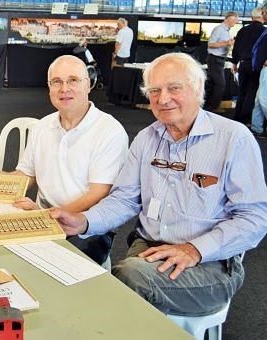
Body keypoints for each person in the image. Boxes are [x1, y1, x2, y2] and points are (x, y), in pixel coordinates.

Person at [51, 53, 267, 316]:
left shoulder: (234, 139)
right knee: (114, 281)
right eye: (154, 90)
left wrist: (195, 249)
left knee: (122, 283)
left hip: (211, 263)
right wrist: (83, 221)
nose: (163, 99)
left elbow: (255, 218)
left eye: (174, 88)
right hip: (147, 250)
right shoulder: (146, 139)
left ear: (197, 87)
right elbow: (124, 200)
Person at [0, 55, 129, 265]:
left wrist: (46, 216)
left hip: (86, 227)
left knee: (49, 266)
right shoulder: (43, 126)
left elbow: (99, 193)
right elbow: (27, 176)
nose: (64, 88)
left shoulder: (110, 131)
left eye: (73, 80)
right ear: (49, 88)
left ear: (88, 85)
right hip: (42, 216)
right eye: (57, 82)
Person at [231, 8, 265, 125]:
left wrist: (234, 63)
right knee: (252, 92)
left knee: (242, 91)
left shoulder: (242, 30)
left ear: (252, 18)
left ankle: (237, 116)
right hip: (256, 66)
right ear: (262, 16)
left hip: (243, 64)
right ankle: (244, 119)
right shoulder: (264, 31)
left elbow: (235, 49)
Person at [205, 12, 238, 111]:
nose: (236, 22)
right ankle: (214, 108)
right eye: (236, 20)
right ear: (230, 19)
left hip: (219, 59)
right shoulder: (219, 29)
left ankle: (208, 106)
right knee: (220, 84)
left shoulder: (227, 31)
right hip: (215, 59)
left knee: (213, 84)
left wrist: (229, 44)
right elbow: (210, 44)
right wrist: (226, 43)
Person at [250, 5, 267, 137]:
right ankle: (257, 128)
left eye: (264, 12)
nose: (263, 15)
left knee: (263, 98)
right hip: (262, 68)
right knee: (258, 99)